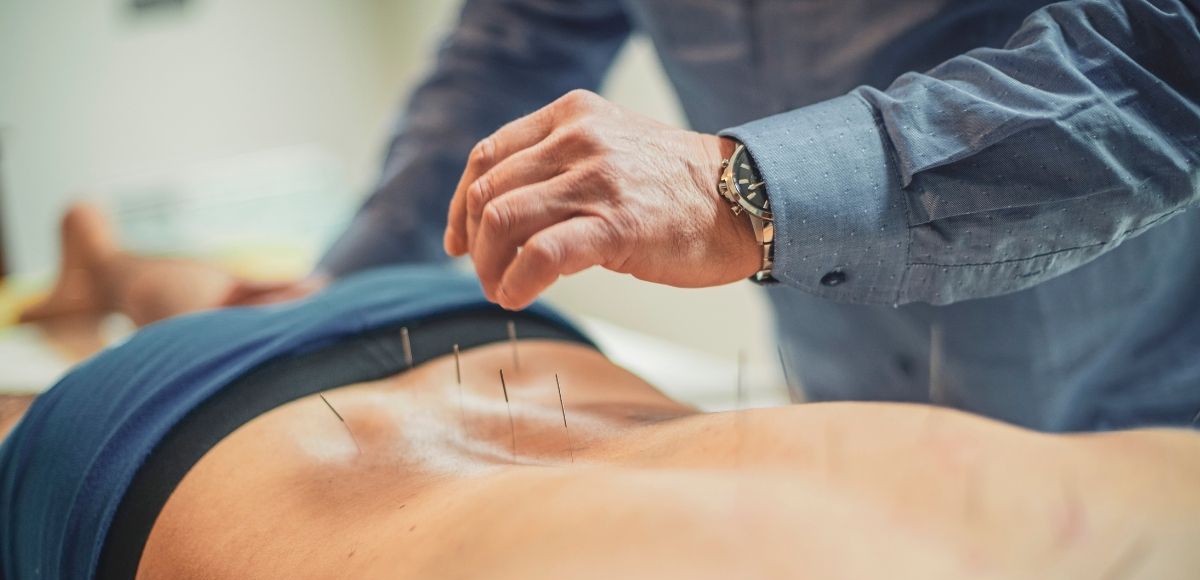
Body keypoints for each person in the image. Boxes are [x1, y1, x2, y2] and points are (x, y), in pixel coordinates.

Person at [0, 206, 1198, 580]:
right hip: (420, 345)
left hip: (207, 413)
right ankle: (114, 263)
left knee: (245, 308)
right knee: (248, 304)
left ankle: (112, 263)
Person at [319, 0, 1200, 433]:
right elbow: (528, 28)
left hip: (1131, 411)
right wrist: (355, 284)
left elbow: (1164, 60)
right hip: (837, 408)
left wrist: (743, 191)